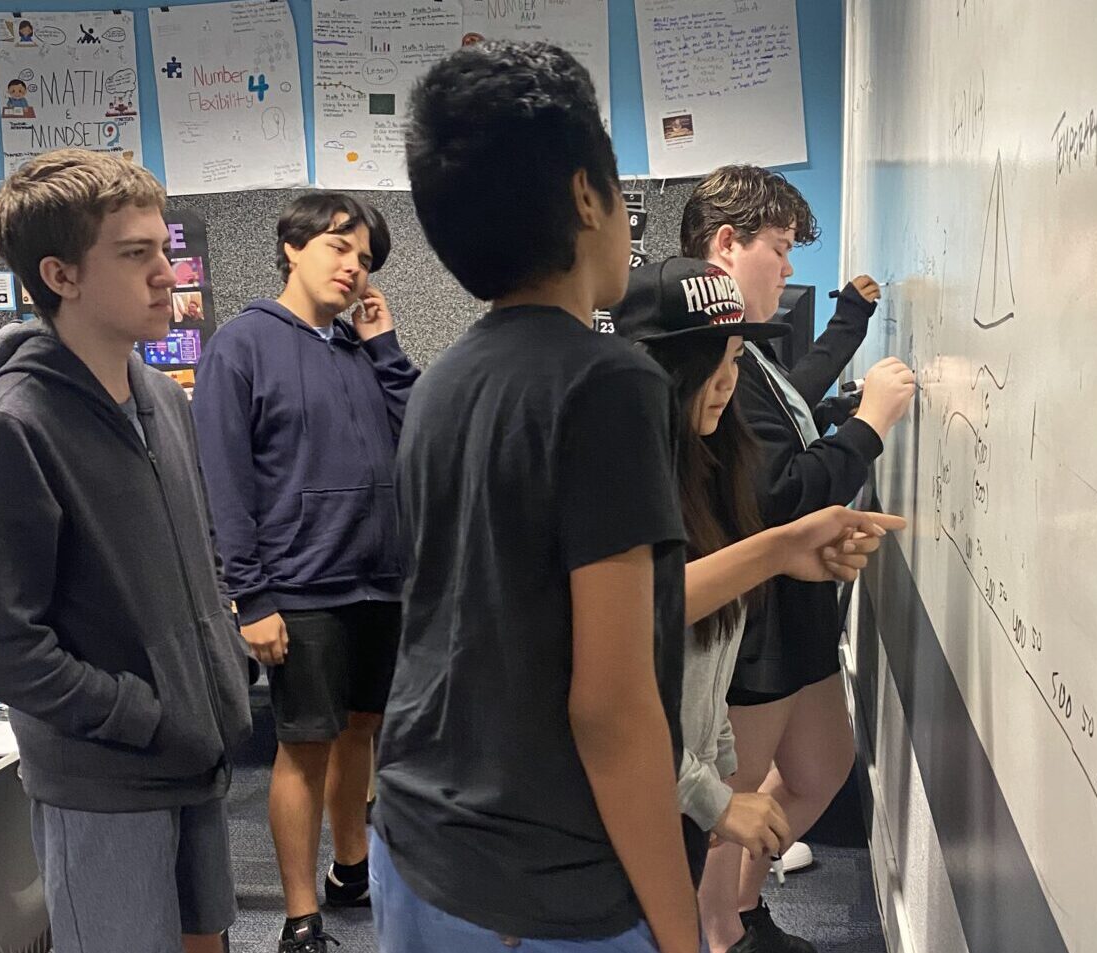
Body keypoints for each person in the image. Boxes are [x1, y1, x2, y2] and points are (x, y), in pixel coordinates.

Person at [372, 42, 899, 953]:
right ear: (587, 197)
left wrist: (777, 547)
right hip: (546, 884)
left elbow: (582, 617)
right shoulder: (604, 383)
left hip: (422, 847)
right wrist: (681, 932)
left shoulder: (450, 376)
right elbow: (610, 708)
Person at [0, 148, 252, 953]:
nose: (167, 273)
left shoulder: (159, 395)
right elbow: (4, 650)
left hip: (196, 755)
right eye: (136, 254)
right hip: (106, 781)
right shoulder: (11, 428)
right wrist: (143, 714)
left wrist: (224, 671)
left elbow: (196, 559)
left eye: (164, 250)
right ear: (61, 274)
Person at [610, 258, 907, 891]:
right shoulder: (622, 489)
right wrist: (714, 798)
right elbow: (607, 682)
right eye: (705, 364)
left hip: (672, 800)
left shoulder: (701, 474)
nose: (724, 380)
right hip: (616, 824)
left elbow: (700, 654)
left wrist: (712, 780)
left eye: (737, 357)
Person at [681, 165, 916, 953]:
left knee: (821, 766)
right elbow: (780, 492)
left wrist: (852, 320)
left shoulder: (747, 350)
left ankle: (739, 911)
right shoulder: (704, 353)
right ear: (725, 244)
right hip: (752, 616)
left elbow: (796, 392)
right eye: (777, 250)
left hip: (796, 603)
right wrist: (871, 424)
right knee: (731, 794)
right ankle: (721, 929)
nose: (787, 269)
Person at [193, 191, 417, 953]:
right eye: (337, 247)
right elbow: (224, 482)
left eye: (365, 259)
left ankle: (350, 867)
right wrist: (250, 595)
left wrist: (385, 346)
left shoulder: (359, 350)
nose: (353, 267)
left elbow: (414, 434)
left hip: (377, 579)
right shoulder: (242, 343)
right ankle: (299, 915)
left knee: (363, 729)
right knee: (305, 743)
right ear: (291, 246)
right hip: (299, 586)